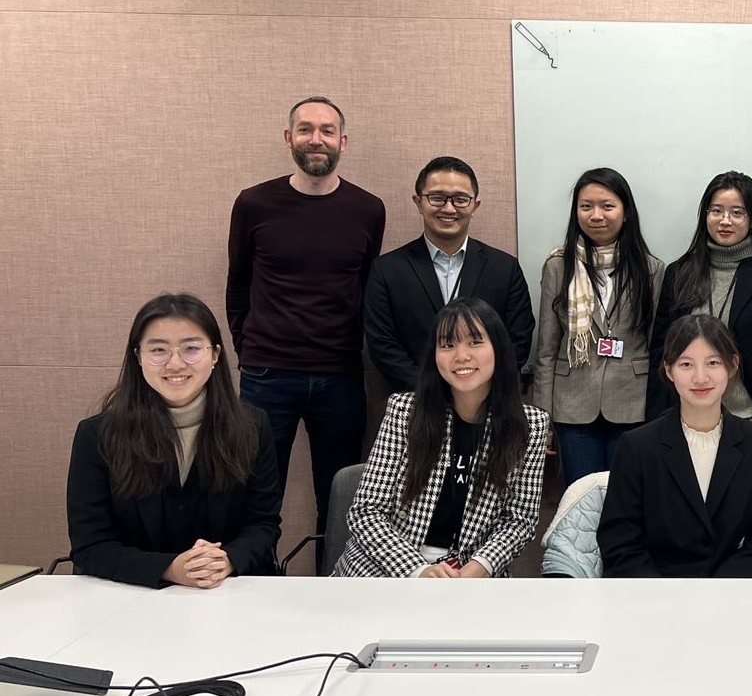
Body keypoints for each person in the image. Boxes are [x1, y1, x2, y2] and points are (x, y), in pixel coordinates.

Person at [226, 95, 385, 556]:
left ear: (343, 141)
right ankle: (256, 582)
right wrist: (248, 348)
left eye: (327, 130)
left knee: (339, 498)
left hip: (340, 376)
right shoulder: (254, 203)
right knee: (256, 494)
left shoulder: (368, 209)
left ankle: (332, 589)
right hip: (266, 375)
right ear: (288, 138)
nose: (317, 139)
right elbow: (238, 285)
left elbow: (366, 288)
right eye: (306, 129)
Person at [67, 294, 281, 588]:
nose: (176, 363)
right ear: (138, 356)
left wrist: (227, 559)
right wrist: (169, 569)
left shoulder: (252, 427)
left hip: (228, 595)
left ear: (215, 354)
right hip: (129, 597)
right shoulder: (97, 436)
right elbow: (90, 545)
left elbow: (263, 524)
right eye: (159, 350)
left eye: (191, 348)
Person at [334, 299, 550, 578]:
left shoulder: (529, 426)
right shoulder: (405, 411)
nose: (461, 356)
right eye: (447, 345)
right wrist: (417, 569)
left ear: (498, 348)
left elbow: (519, 520)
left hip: (472, 575)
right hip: (387, 568)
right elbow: (366, 511)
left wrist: (481, 566)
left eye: (474, 342)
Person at [599, 314, 752, 577]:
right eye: (686, 364)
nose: (701, 378)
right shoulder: (638, 446)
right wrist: (666, 598)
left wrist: (718, 593)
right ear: (669, 370)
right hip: (655, 599)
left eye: (713, 363)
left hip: (733, 595)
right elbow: (620, 541)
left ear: (732, 366)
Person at [530, 168, 664, 487]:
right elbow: (547, 349)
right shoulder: (557, 267)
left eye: (607, 205)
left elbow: (656, 346)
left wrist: (660, 415)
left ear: (626, 212)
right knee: (581, 499)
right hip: (572, 405)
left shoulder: (651, 269)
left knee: (626, 498)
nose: (596, 215)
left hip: (632, 404)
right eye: (586, 206)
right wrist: (542, 418)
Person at [365, 156, 534, 393]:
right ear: (418, 202)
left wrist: (477, 388)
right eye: (437, 198)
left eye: (460, 199)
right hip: (416, 403)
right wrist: (429, 390)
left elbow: (518, 338)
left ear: (475, 205)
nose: (448, 208)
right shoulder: (387, 270)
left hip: (488, 404)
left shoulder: (505, 268)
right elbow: (382, 344)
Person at [647, 171, 752, 430]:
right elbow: (661, 351)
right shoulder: (678, 273)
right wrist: (661, 420)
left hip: (751, 419)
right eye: (716, 211)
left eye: (737, 212)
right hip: (685, 421)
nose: (725, 221)